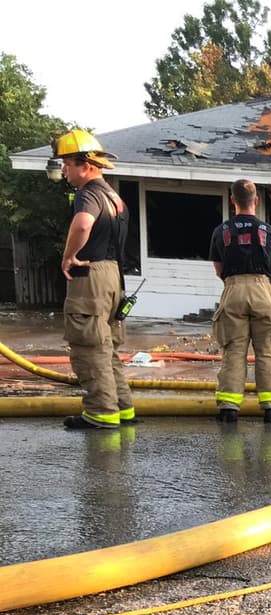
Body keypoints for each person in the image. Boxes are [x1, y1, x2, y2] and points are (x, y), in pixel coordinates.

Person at [51, 129, 137, 430]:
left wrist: (68, 256)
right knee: (108, 346)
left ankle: (100, 412)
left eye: (68, 164)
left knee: (89, 345)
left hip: (91, 276)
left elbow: (83, 224)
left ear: (86, 165)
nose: (64, 171)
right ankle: (122, 408)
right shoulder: (114, 197)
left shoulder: (88, 194)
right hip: (114, 275)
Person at [208, 179, 271, 423]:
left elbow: (218, 268)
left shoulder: (221, 231)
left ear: (233, 200)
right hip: (263, 288)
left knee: (233, 349)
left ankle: (229, 407)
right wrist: (263, 288)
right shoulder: (270, 232)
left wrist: (234, 285)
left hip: (232, 290)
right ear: (256, 201)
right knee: (268, 349)